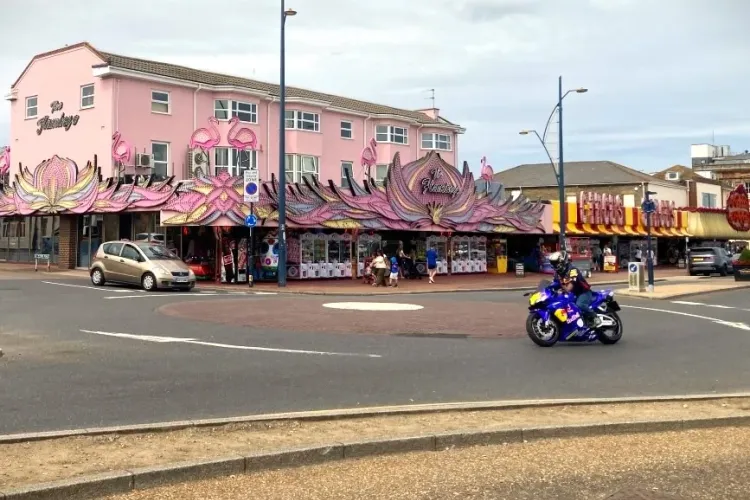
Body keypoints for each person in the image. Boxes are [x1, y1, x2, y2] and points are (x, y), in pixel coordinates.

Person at [548, 250, 601, 328]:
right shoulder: (557, 273)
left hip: (584, 292)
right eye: (553, 263)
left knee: (580, 305)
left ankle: (596, 318)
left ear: (562, 261)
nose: (555, 265)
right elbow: (553, 284)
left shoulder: (572, 270)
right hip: (574, 294)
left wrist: (561, 282)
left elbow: (568, 288)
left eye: (556, 263)